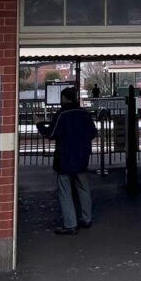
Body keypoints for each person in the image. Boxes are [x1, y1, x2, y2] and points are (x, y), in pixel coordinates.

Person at [37, 87, 98, 235]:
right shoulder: (85, 113)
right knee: (83, 187)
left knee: (65, 191)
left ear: (64, 98)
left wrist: (39, 124)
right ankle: (87, 218)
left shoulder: (62, 114)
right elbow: (93, 133)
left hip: (64, 158)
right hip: (82, 157)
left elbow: (51, 133)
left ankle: (70, 224)